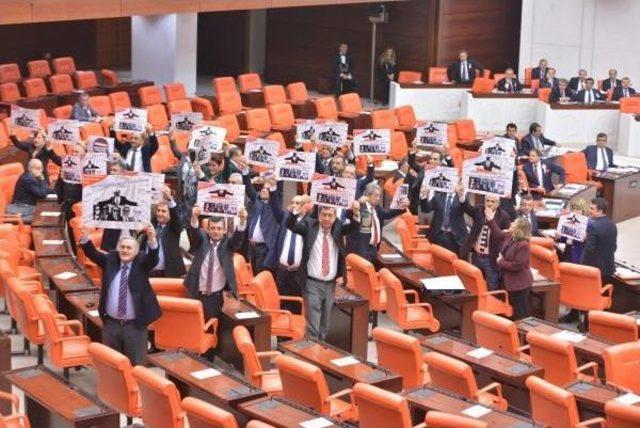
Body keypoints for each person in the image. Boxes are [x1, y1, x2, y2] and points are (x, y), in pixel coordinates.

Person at [79, 225, 160, 365]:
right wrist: (85, 236)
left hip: (134, 326)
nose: (125, 250)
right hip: (111, 324)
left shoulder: (141, 263)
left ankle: (134, 387)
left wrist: (152, 239)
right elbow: (92, 253)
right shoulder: (110, 259)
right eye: (122, 247)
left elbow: (153, 258)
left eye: (129, 248)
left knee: (136, 365)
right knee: (111, 364)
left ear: (136, 252)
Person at [286, 203, 359, 339]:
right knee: (313, 324)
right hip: (312, 283)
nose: (326, 218)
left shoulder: (338, 228)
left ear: (335, 217)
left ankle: (318, 351)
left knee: (324, 324)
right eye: (324, 215)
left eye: (330, 215)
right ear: (318, 216)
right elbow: (292, 225)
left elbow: (354, 227)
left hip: (330, 284)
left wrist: (354, 214)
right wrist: (293, 213)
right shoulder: (309, 226)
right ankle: (311, 353)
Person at [185, 206, 247, 323]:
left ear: (224, 231)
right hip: (196, 293)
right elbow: (194, 232)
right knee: (193, 326)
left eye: (219, 228)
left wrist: (242, 221)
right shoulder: (201, 239)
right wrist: (194, 217)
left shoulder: (228, 243)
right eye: (212, 228)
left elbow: (237, 239)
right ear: (207, 230)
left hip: (216, 297)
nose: (215, 231)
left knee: (212, 328)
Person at [267, 194, 312, 310]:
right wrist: (273, 189)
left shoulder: (310, 223)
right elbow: (275, 206)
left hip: (298, 272)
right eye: (292, 202)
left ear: (305, 207)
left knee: (297, 304)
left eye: (298, 203)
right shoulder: (284, 218)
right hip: (282, 269)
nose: (294, 205)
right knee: (280, 302)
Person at [461, 194, 511, 290]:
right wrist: (461, 196)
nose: (489, 203)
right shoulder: (480, 209)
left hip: (491, 258)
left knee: (492, 286)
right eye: (487, 201)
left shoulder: (503, 216)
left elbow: (506, 236)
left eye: (492, 201)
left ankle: (492, 304)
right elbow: (467, 208)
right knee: (474, 284)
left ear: (498, 203)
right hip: (476, 255)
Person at [348, 183, 406, 261]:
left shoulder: (377, 208)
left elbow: (388, 214)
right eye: (376, 195)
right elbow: (350, 214)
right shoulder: (359, 208)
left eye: (379, 195)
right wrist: (358, 202)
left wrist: (402, 207)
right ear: (368, 195)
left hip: (374, 249)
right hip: (361, 251)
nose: (378, 198)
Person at [490, 217, 533, 320]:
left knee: (519, 314)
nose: (512, 223)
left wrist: (501, 261)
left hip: (519, 284)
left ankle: (520, 334)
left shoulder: (524, 245)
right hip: (508, 282)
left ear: (519, 228)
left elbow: (516, 266)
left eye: (514, 223)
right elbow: (498, 233)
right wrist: (491, 219)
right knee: (510, 312)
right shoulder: (510, 236)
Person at [140, 186, 186, 278]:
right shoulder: (150, 226)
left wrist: (169, 199)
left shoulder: (174, 228)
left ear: (170, 215)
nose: (160, 213)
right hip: (146, 272)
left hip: (167, 273)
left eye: (164, 211)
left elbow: (175, 216)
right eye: (158, 210)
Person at [420, 182, 468, 254]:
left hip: (454, 237)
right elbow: (426, 209)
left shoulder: (462, 196)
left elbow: (467, 208)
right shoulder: (439, 194)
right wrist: (424, 196)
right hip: (438, 235)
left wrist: (461, 196)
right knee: (437, 260)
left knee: (452, 262)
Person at [246, 177, 280, 274]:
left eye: (268, 189)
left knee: (260, 274)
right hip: (251, 246)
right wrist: (245, 172)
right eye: (263, 188)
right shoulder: (257, 201)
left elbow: (277, 198)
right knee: (253, 273)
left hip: (263, 248)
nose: (264, 190)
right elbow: (248, 188)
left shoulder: (274, 207)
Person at [582, 197, 617, 281]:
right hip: (609, 269)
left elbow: (589, 250)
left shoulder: (593, 226)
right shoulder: (613, 225)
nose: (589, 211)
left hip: (594, 271)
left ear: (600, 211)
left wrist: (582, 266)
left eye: (592, 208)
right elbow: (614, 247)